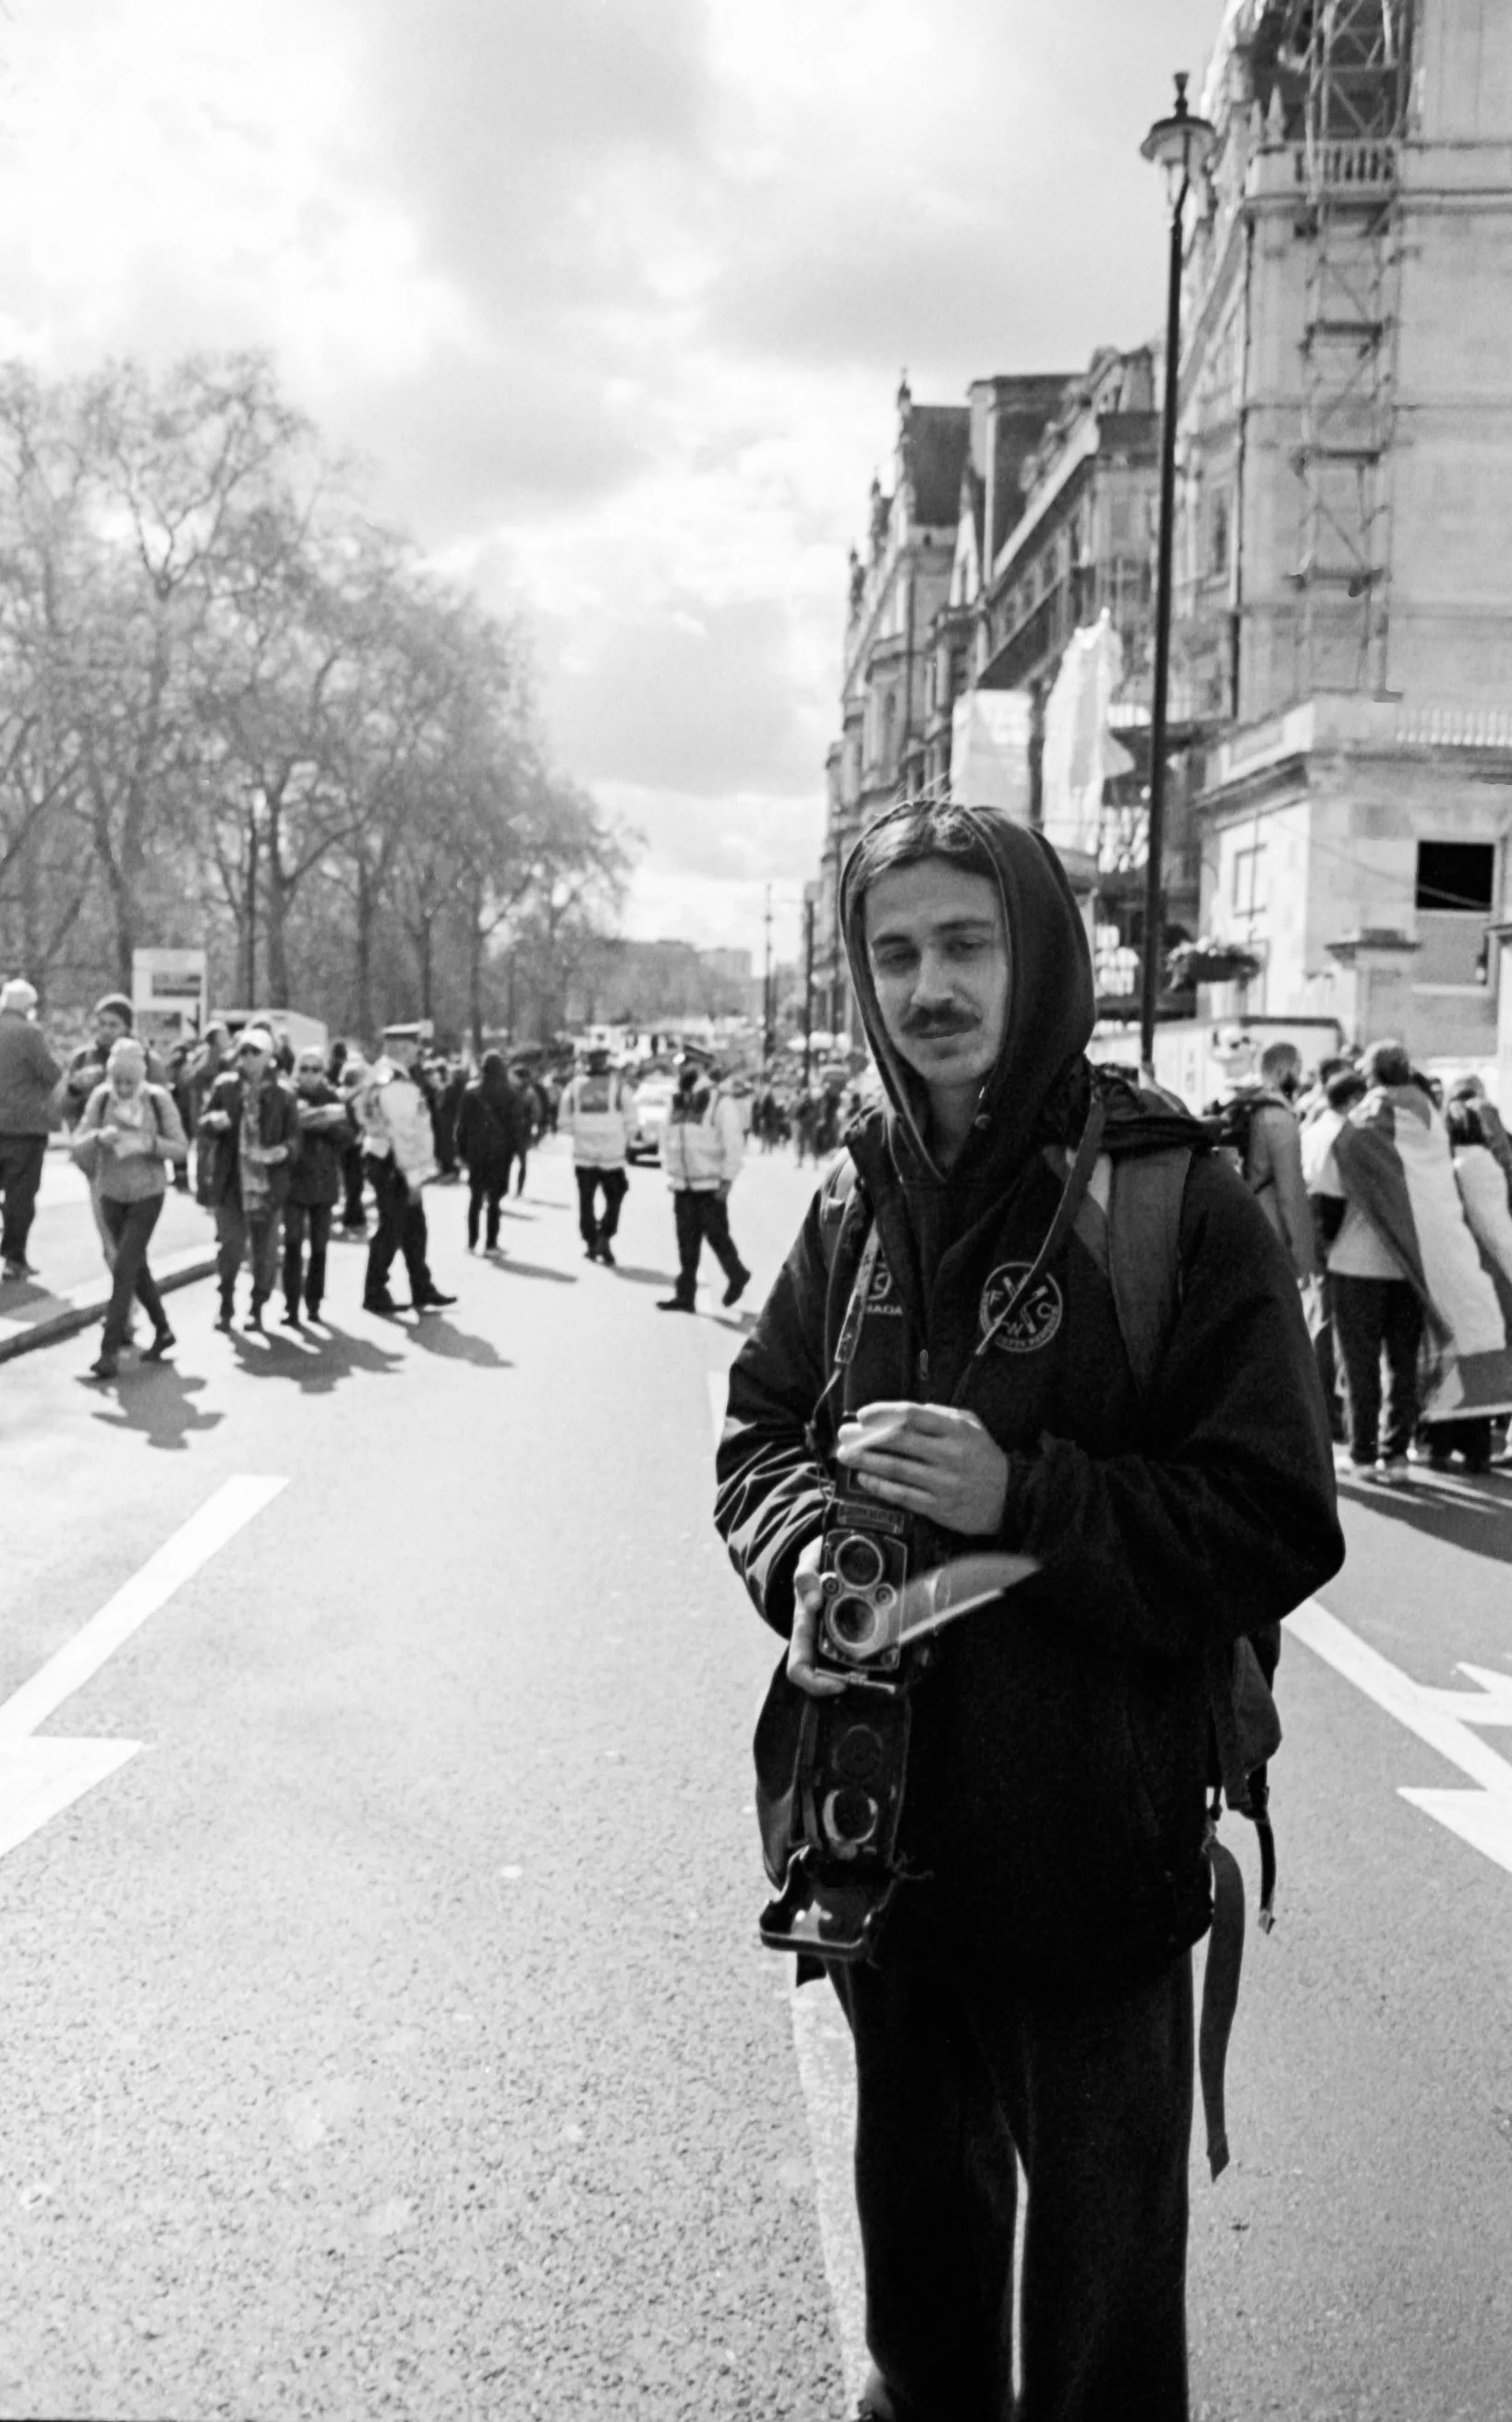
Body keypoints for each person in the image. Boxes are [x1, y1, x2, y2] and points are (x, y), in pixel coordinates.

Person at [713, 798, 1342, 2422]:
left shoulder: (1172, 1198)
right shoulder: (856, 1195)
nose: (929, 985)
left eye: (966, 943)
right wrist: (805, 1560)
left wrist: (1028, 1499)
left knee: (1099, 2327)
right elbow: (759, 1429)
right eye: (896, 951)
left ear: (1038, 950)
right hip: (878, 1844)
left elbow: (1274, 1515)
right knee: (920, 2299)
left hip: (1089, 1840)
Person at [1312, 1039, 1430, 1483]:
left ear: (1371, 1075)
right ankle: (1397, 1453)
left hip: (1357, 1261)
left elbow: (1329, 1194)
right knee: (1403, 1360)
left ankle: (1363, 1452)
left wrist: (1325, 1246)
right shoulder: (1428, 1122)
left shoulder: (1359, 1124)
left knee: (1360, 1361)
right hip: (1412, 1262)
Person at [72, 1037, 188, 1379]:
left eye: (129, 1081)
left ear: (141, 1077)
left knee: (123, 1266)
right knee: (137, 1268)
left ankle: (109, 1351)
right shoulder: (101, 1098)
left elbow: (181, 1148)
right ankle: (163, 1330)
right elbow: (79, 1140)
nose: (122, 1087)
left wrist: (149, 1144)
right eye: (117, 1080)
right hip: (111, 1192)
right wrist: (98, 1138)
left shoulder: (157, 1098)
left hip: (147, 1193)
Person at [199, 1026, 302, 1333]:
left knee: (265, 1252)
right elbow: (202, 1124)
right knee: (230, 1247)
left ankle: (257, 1306)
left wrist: (282, 1151)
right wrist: (212, 1122)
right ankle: (226, 1302)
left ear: (269, 1056)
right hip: (231, 1181)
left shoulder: (284, 1094)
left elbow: (296, 1139)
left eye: (255, 1051)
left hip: (267, 1185)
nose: (247, 1058)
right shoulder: (226, 1087)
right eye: (243, 1051)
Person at [354, 1034, 455, 1314]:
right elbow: (404, 1132)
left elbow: (360, 1113)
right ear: (402, 1048)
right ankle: (375, 1291)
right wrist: (413, 1176)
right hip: (395, 1164)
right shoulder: (395, 1081)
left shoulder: (380, 1075)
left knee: (413, 1227)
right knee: (393, 1228)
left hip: (385, 1158)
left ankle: (422, 1286)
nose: (418, 1053)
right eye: (414, 1048)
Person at [657, 1054, 750, 1312]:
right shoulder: (678, 1100)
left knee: (717, 1237)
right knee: (686, 1243)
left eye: (687, 1066)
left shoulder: (719, 1101)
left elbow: (734, 1144)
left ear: (700, 1069)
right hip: (683, 1186)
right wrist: (671, 1172)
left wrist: (727, 1181)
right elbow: (667, 1139)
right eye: (680, 1066)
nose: (682, 1070)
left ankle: (736, 1274)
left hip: (710, 1186)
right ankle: (685, 1296)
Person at [281, 1046, 353, 1326]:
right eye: (304, 1068)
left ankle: (314, 1303)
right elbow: (281, 1129)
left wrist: (323, 1124)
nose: (309, 1075)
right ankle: (290, 1305)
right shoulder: (287, 1097)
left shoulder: (332, 1098)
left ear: (323, 1073)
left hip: (324, 1182)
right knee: (293, 1244)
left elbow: (347, 1137)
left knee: (320, 1247)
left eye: (315, 1069)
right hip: (294, 1182)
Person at [0, 977, 62, 1281]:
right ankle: (14, 1256)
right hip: (24, 1127)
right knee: (20, 1196)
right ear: (28, 1007)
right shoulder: (28, 1033)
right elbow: (50, 1073)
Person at [1242, 1040, 1317, 1281]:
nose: (1300, 1078)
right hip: (1271, 1231)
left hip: (1246, 1220)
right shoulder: (1279, 1117)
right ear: (1282, 1071)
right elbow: (1290, 1192)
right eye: (1298, 1069)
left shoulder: (1250, 1106)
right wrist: (1303, 1255)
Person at [560, 1044, 635, 1266]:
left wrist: (581, 1133)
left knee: (586, 1201)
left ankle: (592, 1241)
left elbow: (564, 1122)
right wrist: (625, 1140)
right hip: (612, 1155)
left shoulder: (574, 1087)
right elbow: (631, 1119)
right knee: (617, 1194)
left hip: (584, 1155)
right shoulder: (618, 1086)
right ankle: (605, 1234)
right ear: (605, 1062)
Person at [456, 1051, 526, 1253]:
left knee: (475, 1198)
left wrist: (461, 1151)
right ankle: (491, 1243)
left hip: (476, 1153)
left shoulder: (471, 1091)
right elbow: (515, 1126)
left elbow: (462, 1125)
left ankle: (471, 1242)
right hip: (500, 1154)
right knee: (494, 1200)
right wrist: (514, 1151)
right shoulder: (509, 1093)